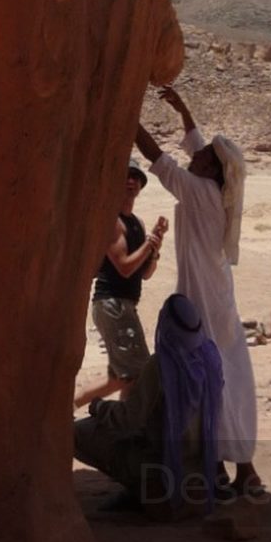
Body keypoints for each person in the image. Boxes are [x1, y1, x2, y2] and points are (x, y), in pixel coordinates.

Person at [134, 85, 262, 497]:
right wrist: (183, 109)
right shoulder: (212, 188)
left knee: (214, 381)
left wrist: (126, 122)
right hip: (214, 298)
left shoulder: (200, 192)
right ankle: (232, 470)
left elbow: (159, 160)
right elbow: (195, 146)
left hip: (207, 305)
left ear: (212, 170)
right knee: (223, 379)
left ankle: (237, 471)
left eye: (204, 157)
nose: (197, 154)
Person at [73, 293, 225, 514]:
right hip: (200, 467)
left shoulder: (164, 365)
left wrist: (99, 408)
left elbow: (128, 419)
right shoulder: (210, 357)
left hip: (162, 466)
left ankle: (142, 490)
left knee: (76, 433)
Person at [75, 165, 167, 407]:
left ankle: (70, 405)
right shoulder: (113, 223)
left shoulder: (137, 223)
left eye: (137, 178)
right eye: (127, 176)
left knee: (117, 378)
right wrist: (149, 244)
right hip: (112, 304)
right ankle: (127, 428)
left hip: (123, 305)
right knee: (139, 373)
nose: (132, 181)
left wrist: (155, 250)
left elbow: (145, 273)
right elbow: (124, 267)